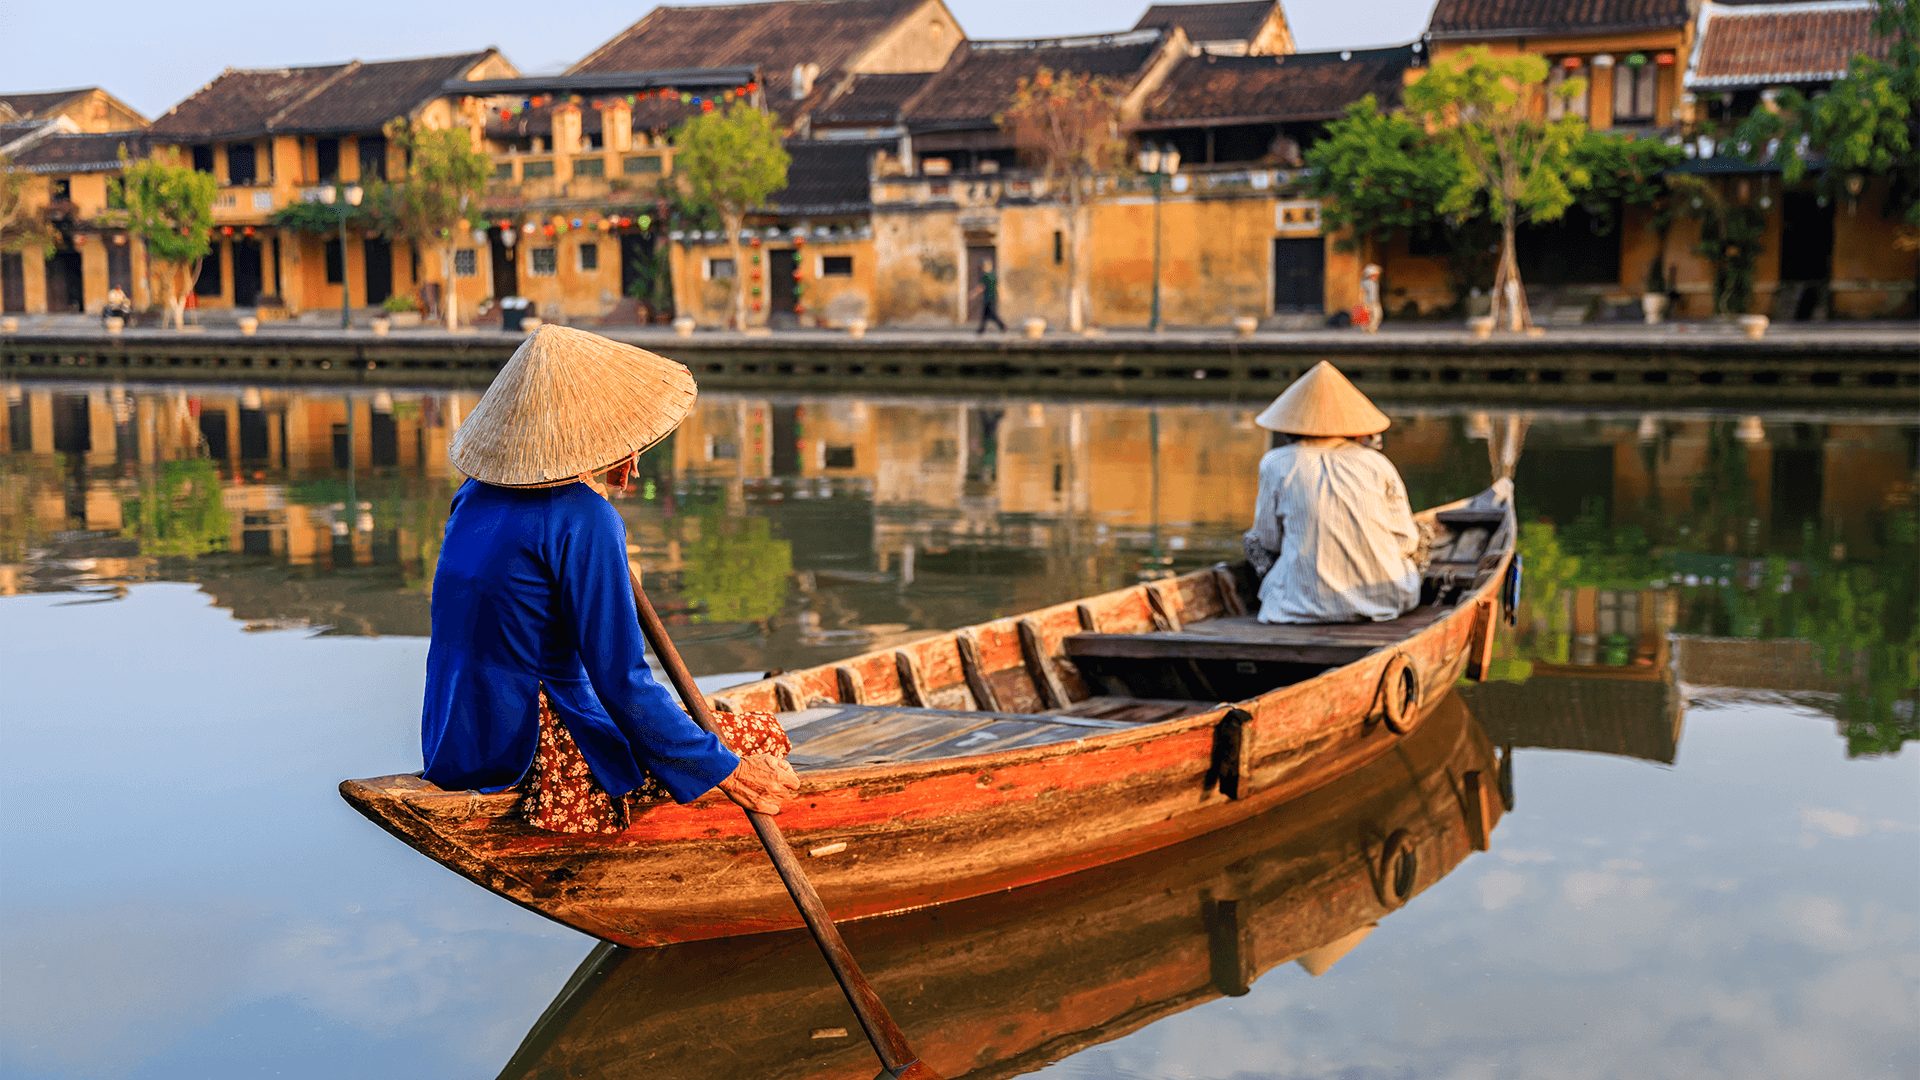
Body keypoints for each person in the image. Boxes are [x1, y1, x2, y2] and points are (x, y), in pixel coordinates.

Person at [422, 325, 798, 834]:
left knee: (704, 726)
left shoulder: (473, 495)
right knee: (763, 733)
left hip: (454, 738)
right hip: (529, 745)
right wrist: (727, 772)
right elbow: (621, 680)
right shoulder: (585, 520)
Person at [1243, 361, 1421, 624]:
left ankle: (1303, 588)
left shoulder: (1276, 463)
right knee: (1423, 537)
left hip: (1296, 607)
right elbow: (1406, 541)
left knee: (1252, 541)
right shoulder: (1377, 463)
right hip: (1385, 601)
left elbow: (1268, 540)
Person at [973, 258, 1006, 334]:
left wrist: (973, 294)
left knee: (992, 314)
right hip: (993, 297)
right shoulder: (993, 275)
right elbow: (997, 287)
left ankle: (1002, 326)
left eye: (983, 266)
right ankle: (981, 329)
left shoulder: (984, 275)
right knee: (985, 314)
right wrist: (1001, 296)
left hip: (988, 298)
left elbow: (981, 287)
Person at [1359, 264, 1383, 335]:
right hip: (1367, 302)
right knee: (1367, 316)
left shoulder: (1375, 282)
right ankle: (1367, 330)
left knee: (1377, 315)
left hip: (1375, 302)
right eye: (1375, 274)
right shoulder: (1365, 282)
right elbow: (1362, 293)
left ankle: (1372, 329)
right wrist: (1362, 303)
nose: (1376, 276)